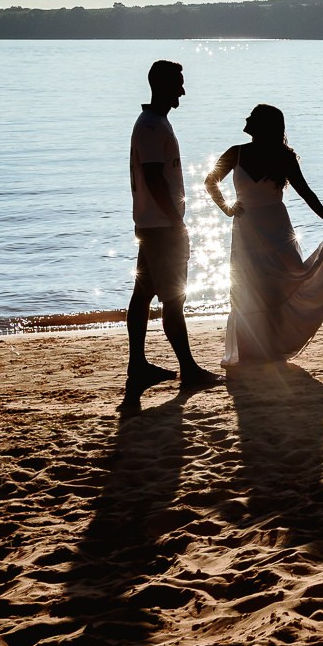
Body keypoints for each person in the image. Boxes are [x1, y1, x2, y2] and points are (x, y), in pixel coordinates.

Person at [204, 104, 323, 365]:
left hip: (277, 230)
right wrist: (226, 207)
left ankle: (271, 349)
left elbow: (307, 193)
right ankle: (250, 350)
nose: (247, 117)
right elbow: (210, 181)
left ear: (263, 125)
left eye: (253, 116)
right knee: (247, 286)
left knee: (278, 285)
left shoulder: (283, 157)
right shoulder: (235, 153)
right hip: (247, 230)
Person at [126, 60, 220, 396]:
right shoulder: (151, 126)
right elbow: (153, 176)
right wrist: (177, 222)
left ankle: (138, 367)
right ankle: (188, 369)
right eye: (178, 83)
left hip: (153, 224)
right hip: (161, 227)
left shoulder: (155, 122)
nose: (183, 89)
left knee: (144, 295)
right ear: (162, 85)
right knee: (173, 298)